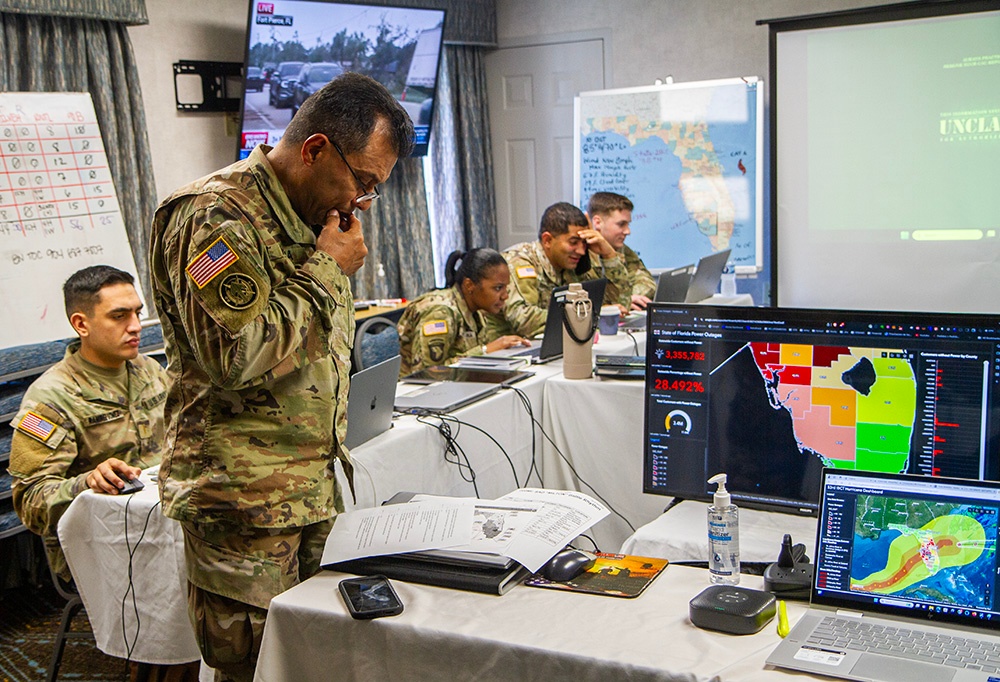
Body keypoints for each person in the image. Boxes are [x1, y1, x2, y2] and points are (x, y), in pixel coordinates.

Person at [148, 72, 413, 681]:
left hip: (308, 491)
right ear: (316, 149)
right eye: (363, 183)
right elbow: (234, 358)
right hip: (240, 508)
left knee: (313, 663)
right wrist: (325, 269)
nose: (359, 205)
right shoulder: (211, 217)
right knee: (255, 669)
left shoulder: (309, 218)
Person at [9, 265, 168, 583]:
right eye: (119, 316)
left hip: (161, 520)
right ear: (82, 324)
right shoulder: (51, 398)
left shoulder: (148, 369)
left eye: (137, 313)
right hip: (100, 542)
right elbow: (30, 502)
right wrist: (87, 484)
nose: (136, 326)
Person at [486, 202, 631, 337]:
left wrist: (608, 255)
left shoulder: (572, 264)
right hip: (507, 353)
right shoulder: (520, 262)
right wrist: (588, 316)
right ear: (548, 240)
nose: (581, 251)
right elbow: (524, 320)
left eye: (584, 243)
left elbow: (619, 305)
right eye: (573, 242)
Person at [396, 249, 530, 376]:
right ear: (469, 285)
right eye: (498, 288)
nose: (505, 296)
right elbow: (428, 373)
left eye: (506, 287)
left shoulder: (476, 310)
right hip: (417, 394)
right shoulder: (440, 313)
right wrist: (485, 350)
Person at [587, 192, 656, 310]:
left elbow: (647, 282)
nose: (627, 231)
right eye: (621, 224)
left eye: (628, 224)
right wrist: (626, 300)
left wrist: (630, 298)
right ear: (598, 222)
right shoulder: (579, 253)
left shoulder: (621, 249)